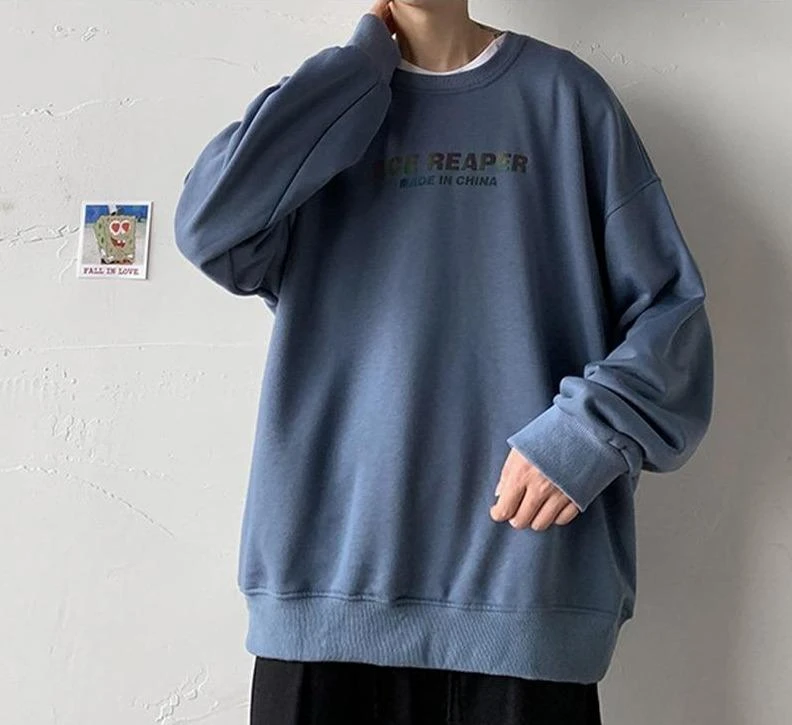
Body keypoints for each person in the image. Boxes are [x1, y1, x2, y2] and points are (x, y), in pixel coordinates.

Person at [173, 0, 715, 722]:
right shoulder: (327, 109)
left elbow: (673, 319)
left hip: (525, 594)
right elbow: (209, 226)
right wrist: (358, 69)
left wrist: (586, 434)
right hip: (327, 594)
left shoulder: (567, 99)